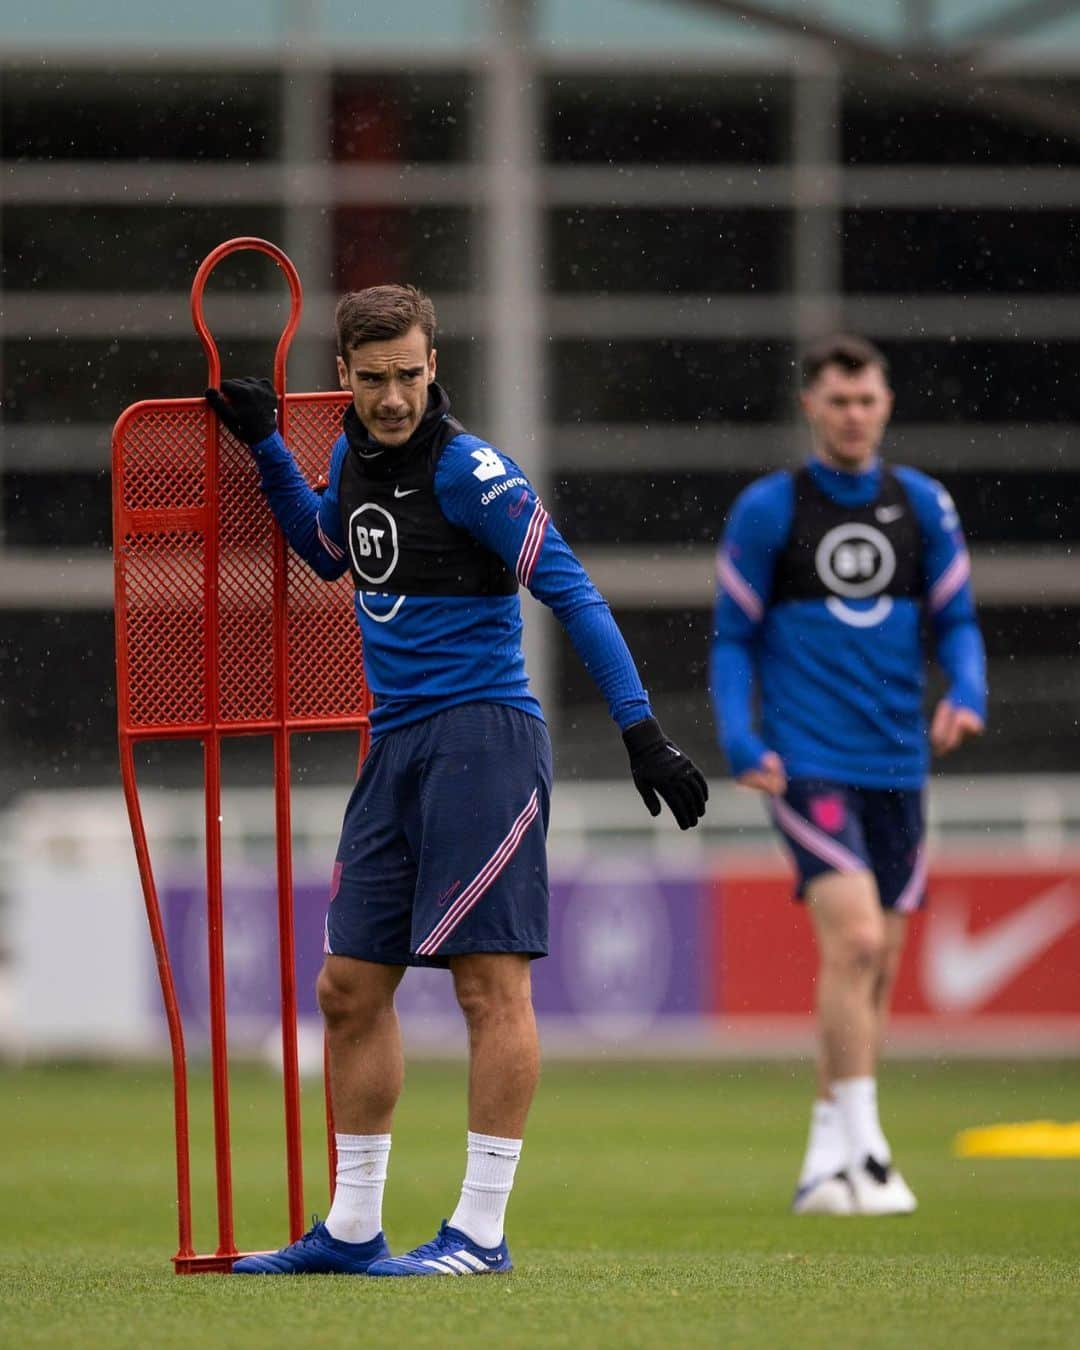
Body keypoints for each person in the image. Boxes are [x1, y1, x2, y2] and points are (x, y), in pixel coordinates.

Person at [206, 283, 708, 1276]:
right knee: (348, 989)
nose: (394, 396)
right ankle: (352, 1232)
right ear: (342, 377)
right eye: (375, 377)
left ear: (435, 365)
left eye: (410, 374)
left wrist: (642, 733)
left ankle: (479, 1233)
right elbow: (329, 549)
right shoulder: (350, 452)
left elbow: (571, 587)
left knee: (488, 987)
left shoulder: (475, 472)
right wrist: (268, 449)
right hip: (394, 744)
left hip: (484, 739)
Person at [710, 335, 986, 1217]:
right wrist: (741, 738)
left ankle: (824, 1159)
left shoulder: (923, 506)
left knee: (880, 963)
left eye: (866, 400)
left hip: (898, 762)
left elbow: (960, 621)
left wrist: (969, 688)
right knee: (858, 940)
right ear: (811, 408)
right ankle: (868, 1154)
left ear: (887, 404)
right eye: (837, 401)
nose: (853, 415)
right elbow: (731, 638)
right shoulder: (770, 510)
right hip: (809, 760)